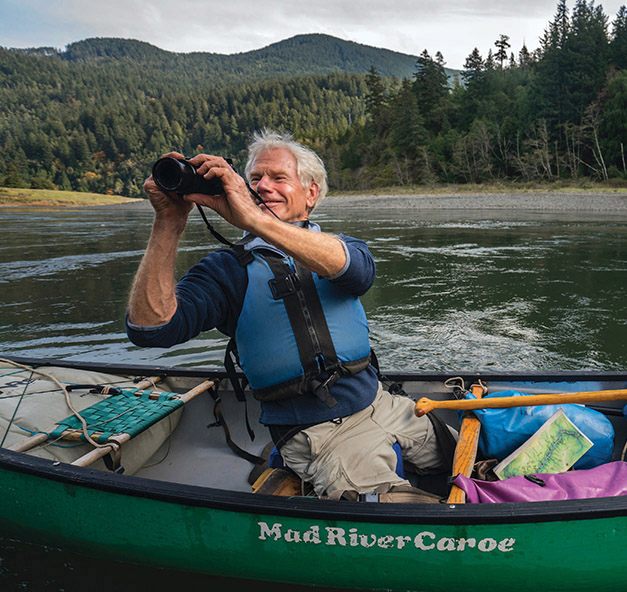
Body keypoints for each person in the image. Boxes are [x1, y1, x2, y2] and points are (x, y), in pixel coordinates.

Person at [126, 129, 451, 500]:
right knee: (396, 517)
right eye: (255, 180)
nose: (264, 186)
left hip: (383, 404)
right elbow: (151, 330)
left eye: (279, 178)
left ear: (311, 193)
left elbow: (358, 273)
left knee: (472, 454)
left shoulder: (340, 248)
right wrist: (168, 222)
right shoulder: (227, 270)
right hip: (319, 434)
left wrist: (258, 221)